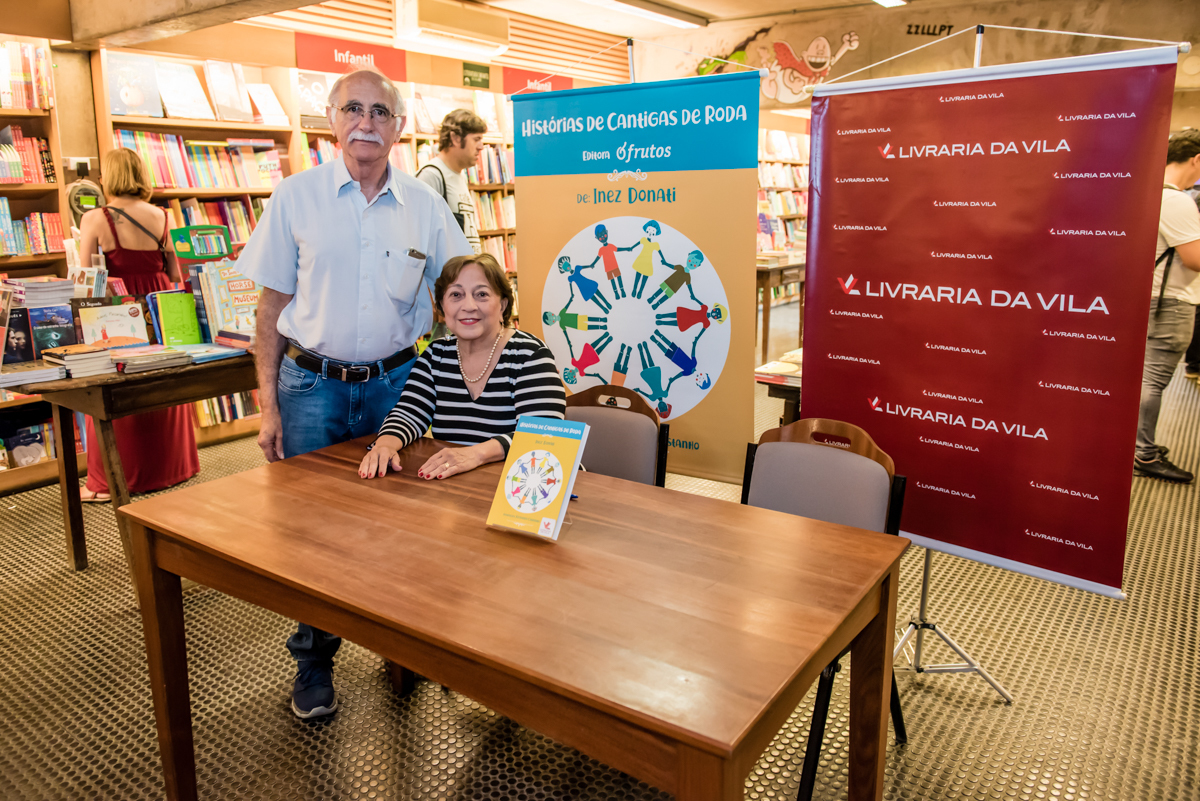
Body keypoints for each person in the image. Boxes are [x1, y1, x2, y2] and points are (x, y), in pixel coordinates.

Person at [237, 67, 471, 719]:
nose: (366, 122)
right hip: (309, 387)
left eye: (380, 112)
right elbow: (269, 308)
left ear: (400, 128)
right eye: (353, 109)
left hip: (399, 386)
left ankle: (405, 648)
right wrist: (266, 405)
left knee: (407, 523)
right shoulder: (296, 198)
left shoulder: (427, 208)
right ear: (332, 121)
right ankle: (313, 664)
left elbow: (456, 296)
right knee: (312, 535)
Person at [359, 253, 565, 482]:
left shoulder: (530, 355)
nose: (468, 306)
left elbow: (544, 435)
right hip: (456, 487)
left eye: (482, 294)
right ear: (442, 307)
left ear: (503, 304)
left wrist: (476, 454)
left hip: (525, 487)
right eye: (456, 295)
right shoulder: (435, 355)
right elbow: (409, 413)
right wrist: (385, 444)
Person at [76, 148, 199, 502]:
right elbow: (177, 272)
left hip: (120, 308)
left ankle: (109, 480)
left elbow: (88, 279)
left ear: (109, 178)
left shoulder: (95, 219)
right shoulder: (163, 216)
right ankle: (172, 467)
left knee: (116, 383)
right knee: (164, 380)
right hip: (160, 304)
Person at [1134, 130, 1200, 483]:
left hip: (1154, 298)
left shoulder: (1147, 192)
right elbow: (1195, 259)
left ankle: (1138, 446)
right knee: (1153, 380)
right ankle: (1142, 453)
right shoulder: (1175, 201)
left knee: (1146, 378)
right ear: (1196, 160)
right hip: (1170, 302)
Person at [416, 108, 488, 253]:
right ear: (455, 138)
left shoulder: (459, 175)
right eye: (476, 139)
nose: (481, 147)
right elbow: (418, 234)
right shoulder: (432, 175)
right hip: (447, 274)